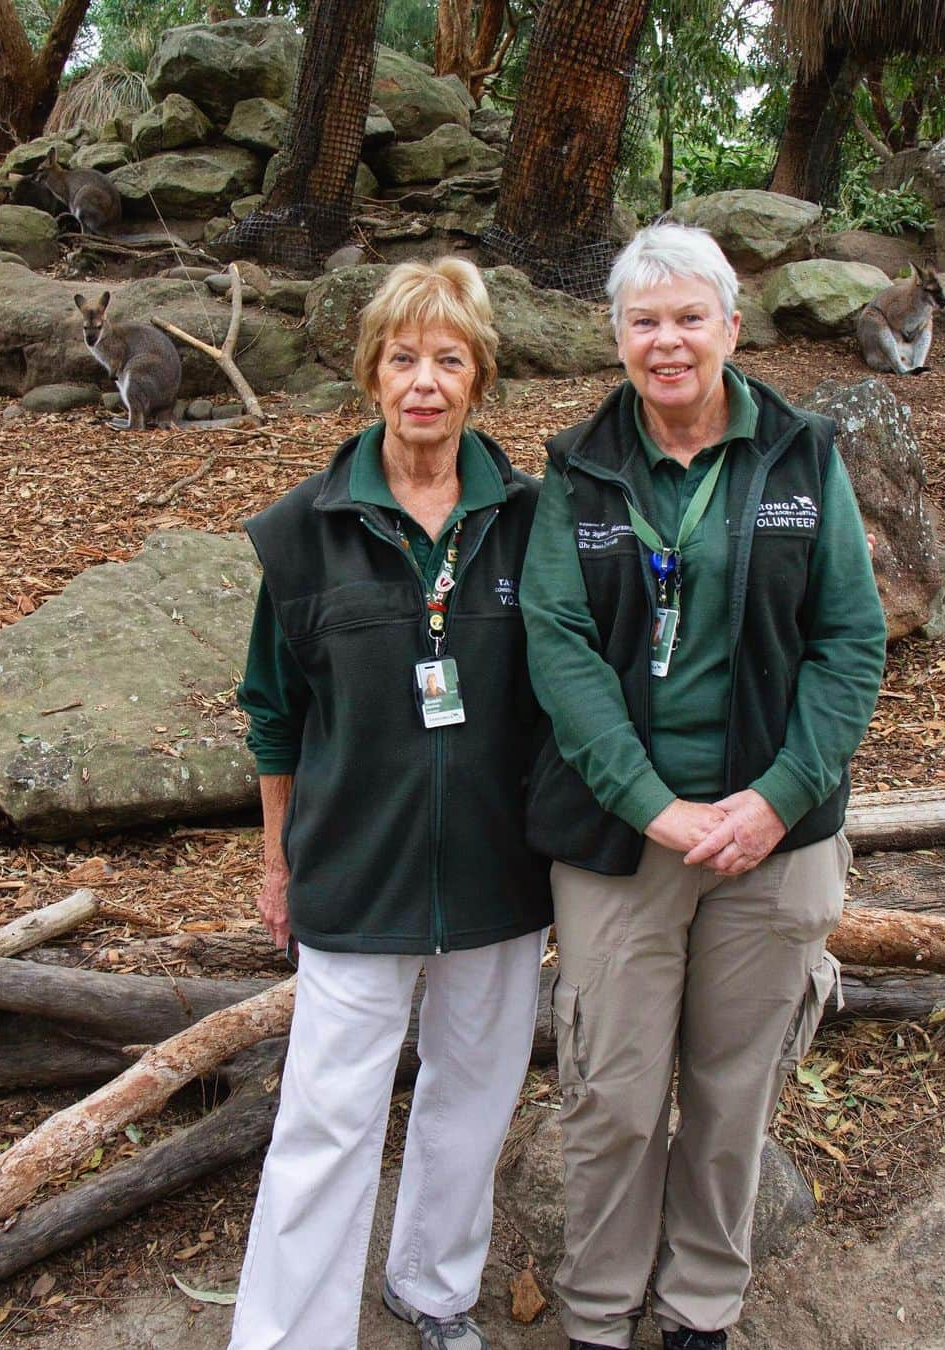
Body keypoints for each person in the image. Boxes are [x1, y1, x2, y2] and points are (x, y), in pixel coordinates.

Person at [520, 221, 886, 1350]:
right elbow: (558, 644)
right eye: (645, 321)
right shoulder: (579, 467)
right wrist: (650, 802)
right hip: (625, 837)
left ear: (732, 325)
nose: (667, 341)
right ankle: (595, 1313)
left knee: (732, 1101)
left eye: (690, 318)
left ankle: (699, 1315)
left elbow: (851, 643)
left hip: (773, 837)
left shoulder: (800, 455)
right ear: (616, 336)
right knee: (615, 1096)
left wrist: (779, 796)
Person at [230, 258, 552, 1350]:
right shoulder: (302, 532)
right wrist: (278, 863)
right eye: (404, 358)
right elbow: (273, 714)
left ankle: (433, 1289)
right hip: (355, 871)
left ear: (479, 379)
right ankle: (287, 1335)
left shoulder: (531, 523)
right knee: (326, 1120)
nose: (425, 381)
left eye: (449, 360)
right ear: (371, 373)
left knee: (472, 1100)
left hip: (499, 874)